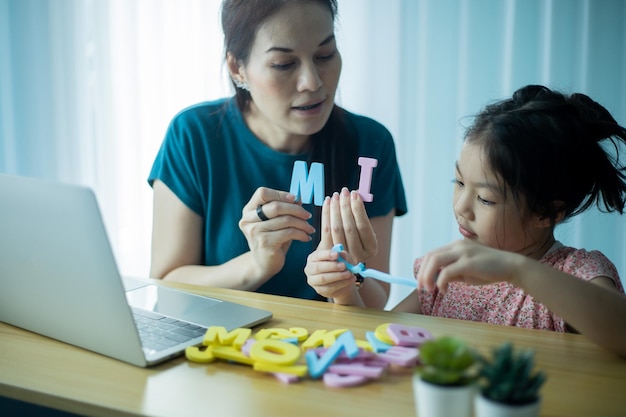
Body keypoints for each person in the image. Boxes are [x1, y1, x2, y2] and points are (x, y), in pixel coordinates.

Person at [306, 84, 626, 357]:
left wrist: (515, 270)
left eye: (485, 198)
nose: (461, 207)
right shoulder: (449, 275)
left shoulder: (578, 273)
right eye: (459, 183)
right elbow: (378, 343)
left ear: (548, 212)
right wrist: (345, 291)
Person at [147, 0, 407, 307]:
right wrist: (257, 265)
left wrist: (345, 281)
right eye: (284, 64)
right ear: (236, 68)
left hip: (321, 349)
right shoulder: (193, 135)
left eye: (325, 54)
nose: (313, 82)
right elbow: (165, 284)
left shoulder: (371, 143)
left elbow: (376, 300)